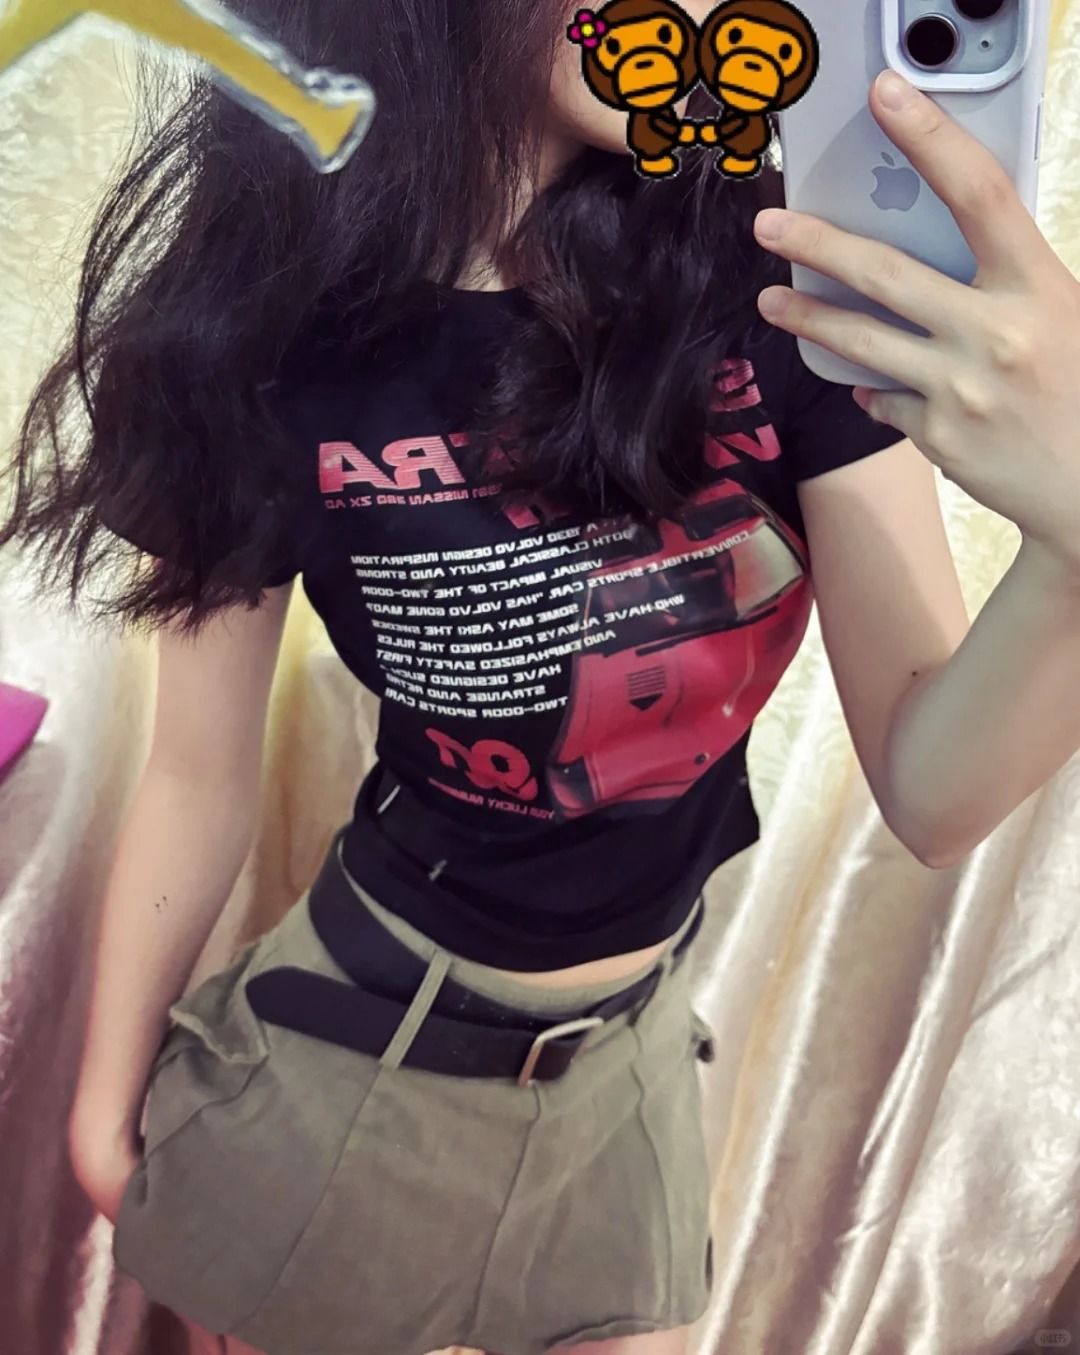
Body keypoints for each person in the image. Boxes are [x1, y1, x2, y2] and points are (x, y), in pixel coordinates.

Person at [8, 2, 1080, 1354]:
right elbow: (196, 773)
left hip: (621, 1077)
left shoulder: (777, 283)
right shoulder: (270, 336)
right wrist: (100, 1110)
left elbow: (933, 795)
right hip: (349, 1062)